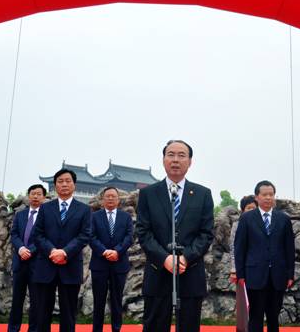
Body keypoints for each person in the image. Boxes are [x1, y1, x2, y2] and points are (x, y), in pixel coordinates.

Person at [136, 140, 214, 332]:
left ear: (190, 161)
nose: (176, 160)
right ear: (163, 160)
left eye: (181, 155)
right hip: (158, 271)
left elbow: (206, 233)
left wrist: (186, 257)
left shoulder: (203, 194)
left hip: (190, 271)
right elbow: (143, 232)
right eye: (171, 154)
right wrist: (165, 258)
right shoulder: (148, 194)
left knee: (188, 326)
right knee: (154, 326)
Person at [32, 169, 92, 332]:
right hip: (46, 265)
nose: (64, 184)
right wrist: (52, 251)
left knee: (69, 312)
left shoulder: (84, 209)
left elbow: (84, 236)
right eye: (60, 181)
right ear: (55, 185)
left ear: (74, 184)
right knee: (42, 313)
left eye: (67, 181)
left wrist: (65, 252)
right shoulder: (45, 208)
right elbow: (37, 234)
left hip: (70, 265)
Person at [234, 180, 295, 332]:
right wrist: (240, 274)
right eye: (264, 194)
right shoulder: (247, 218)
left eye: (271, 194)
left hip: (278, 275)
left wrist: (290, 274)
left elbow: (289, 248)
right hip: (254, 274)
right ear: (257, 197)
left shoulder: (284, 219)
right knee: (256, 315)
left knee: (274, 316)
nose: (268, 197)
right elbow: (240, 248)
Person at [89, 186, 133, 332]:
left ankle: (116, 328)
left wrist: (117, 251)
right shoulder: (94, 216)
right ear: (102, 199)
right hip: (99, 264)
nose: (110, 199)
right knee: (99, 301)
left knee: (116, 300)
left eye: (113, 196)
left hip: (119, 264)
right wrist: (104, 251)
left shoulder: (125, 217)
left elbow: (129, 238)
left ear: (118, 199)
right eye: (107, 196)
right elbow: (91, 237)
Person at [8, 184, 47, 332]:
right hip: (20, 262)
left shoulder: (46, 216)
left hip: (37, 263)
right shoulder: (20, 214)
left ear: (44, 197)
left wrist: (30, 250)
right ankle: (13, 328)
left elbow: (44, 237)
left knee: (36, 301)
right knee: (16, 300)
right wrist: (21, 248)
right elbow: (14, 234)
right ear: (28, 196)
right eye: (32, 193)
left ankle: (34, 329)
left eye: (38, 194)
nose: (35, 196)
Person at [229, 195, 258, 332]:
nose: (252, 210)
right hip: (242, 270)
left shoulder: (262, 223)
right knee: (243, 304)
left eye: (254, 208)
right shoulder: (237, 224)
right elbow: (233, 248)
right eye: (249, 208)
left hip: (259, 269)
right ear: (242, 210)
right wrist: (235, 269)